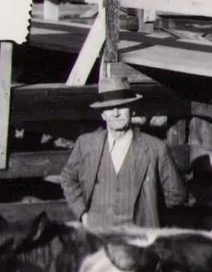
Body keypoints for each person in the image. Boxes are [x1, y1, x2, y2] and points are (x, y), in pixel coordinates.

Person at [58, 83, 189, 228]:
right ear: (102, 114)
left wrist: (150, 211)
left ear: (132, 110)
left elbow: (177, 195)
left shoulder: (155, 148)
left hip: (139, 237)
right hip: (98, 234)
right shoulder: (86, 144)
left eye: (122, 106)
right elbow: (67, 177)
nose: (116, 113)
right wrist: (82, 213)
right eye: (109, 108)